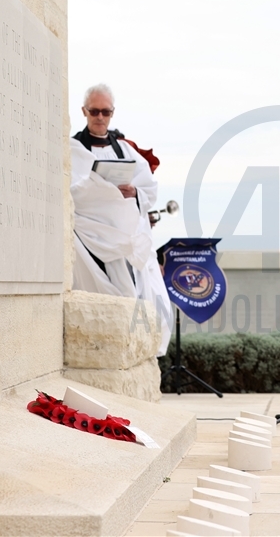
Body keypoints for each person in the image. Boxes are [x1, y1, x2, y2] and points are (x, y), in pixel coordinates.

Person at [70, 83, 172, 356]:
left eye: (105, 111)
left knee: (134, 288)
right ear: (84, 111)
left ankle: (133, 341)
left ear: (112, 113)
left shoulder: (125, 150)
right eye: (94, 111)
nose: (100, 117)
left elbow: (148, 188)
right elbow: (70, 189)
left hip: (122, 233)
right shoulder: (73, 148)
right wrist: (103, 191)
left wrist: (133, 192)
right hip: (88, 235)